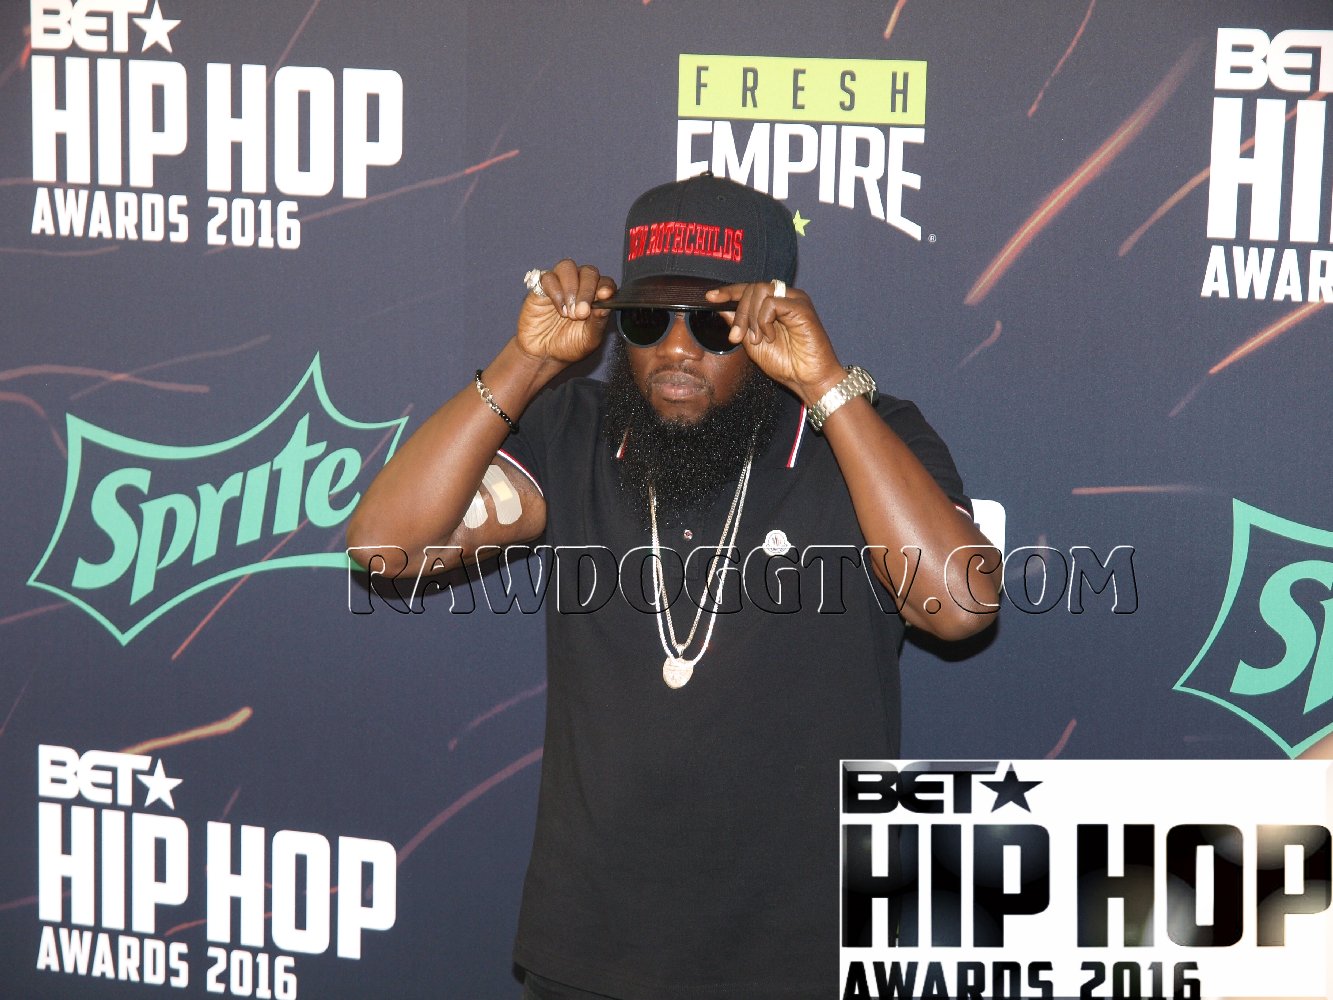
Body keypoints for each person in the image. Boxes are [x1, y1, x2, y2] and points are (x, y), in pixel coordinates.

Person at [347, 173, 1000, 1000]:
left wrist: (825, 386)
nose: (677, 349)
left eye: (713, 323)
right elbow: (385, 549)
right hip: (590, 952)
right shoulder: (576, 430)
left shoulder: (865, 440)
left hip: (800, 959)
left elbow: (959, 608)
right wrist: (527, 362)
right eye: (648, 321)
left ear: (771, 319)